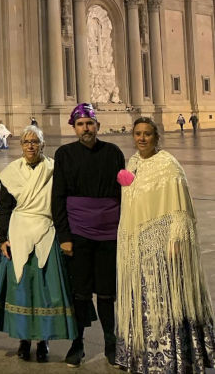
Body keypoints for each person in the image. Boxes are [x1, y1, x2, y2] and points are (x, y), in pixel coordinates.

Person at [115, 117, 215, 373]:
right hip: (138, 249)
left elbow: (180, 207)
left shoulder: (169, 165)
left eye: (147, 134)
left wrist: (175, 240)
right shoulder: (134, 163)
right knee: (145, 305)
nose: (142, 138)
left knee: (167, 303)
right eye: (138, 133)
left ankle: (173, 359)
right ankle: (145, 357)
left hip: (163, 249)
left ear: (156, 137)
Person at [0, 125, 77, 363]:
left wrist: (65, 236)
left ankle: (43, 341)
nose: (30, 145)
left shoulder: (54, 170)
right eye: (26, 142)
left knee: (43, 290)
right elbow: (4, 208)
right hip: (18, 232)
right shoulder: (11, 172)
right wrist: (1, 238)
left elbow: (61, 204)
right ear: (20, 145)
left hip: (46, 231)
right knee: (21, 290)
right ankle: (23, 339)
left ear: (43, 145)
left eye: (35, 141)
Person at [51, 103, 125, 367]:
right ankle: (78, 343)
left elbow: (122, 194)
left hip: (109, 234)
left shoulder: (113, 152)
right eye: (81, 124)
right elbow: (58, 197)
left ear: (98, 126)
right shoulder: (64, 154)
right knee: (80, 294)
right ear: (74, 128)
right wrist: (65, 236)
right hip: (78, 233)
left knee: (106, 294)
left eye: (90, 123)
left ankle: (111, 343)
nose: (86, 128)